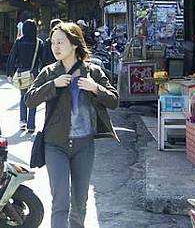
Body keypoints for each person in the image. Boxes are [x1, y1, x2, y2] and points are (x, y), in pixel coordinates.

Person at [25, 22, 119, 228]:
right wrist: (53, 85)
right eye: (52, 43)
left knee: (79, 202)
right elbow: (29, 100)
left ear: (74, 44)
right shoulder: (50, 72)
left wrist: (95, 88)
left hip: (83, 144)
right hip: (54, 144)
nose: (55, 47)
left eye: (60, 42)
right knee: (61, 201)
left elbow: (114, 100)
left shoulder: (93, 71)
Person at [7, 19, 43, 133]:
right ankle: (31, 124)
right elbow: (43, 59)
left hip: (22, 72)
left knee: (23, 97)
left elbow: (12, 57)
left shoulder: (19, 41)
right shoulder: (38, 42)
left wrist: (9, 72)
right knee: (33, 97)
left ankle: (22, 121)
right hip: (34, 72)